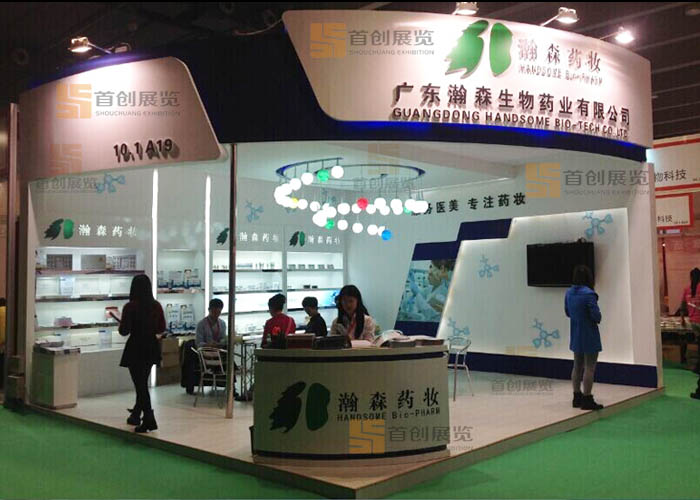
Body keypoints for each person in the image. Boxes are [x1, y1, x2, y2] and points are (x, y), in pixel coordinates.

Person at [116, 274, 165, 432]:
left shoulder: (130, 307)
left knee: (140, 384)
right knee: (142, 381)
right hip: (151, 346)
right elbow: (161, 328)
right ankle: (136, 414)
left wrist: (121, 323)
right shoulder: (156, 306)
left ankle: (149, 418)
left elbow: (124, 331)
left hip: (136, 347)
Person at [565, 265, 603, 411]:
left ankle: (576, 396)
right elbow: (596, 316)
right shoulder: (589, 294)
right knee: (589, 367)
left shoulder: (569, 293)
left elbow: (567, 312)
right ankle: (587, 398)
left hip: (575, 333)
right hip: (589, 334)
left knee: (577, 366)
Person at [680, 268, 700, 400]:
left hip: (693, 323)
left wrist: (682, 319)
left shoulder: (687, 289)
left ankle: (697, 366)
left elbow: (682, 306)